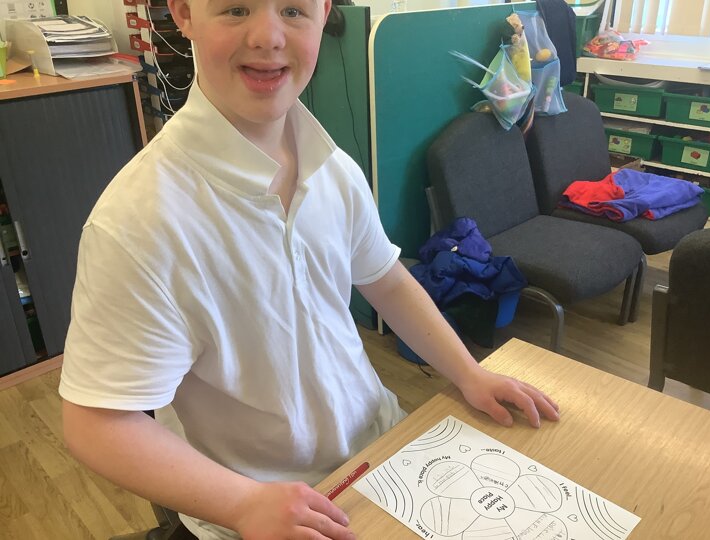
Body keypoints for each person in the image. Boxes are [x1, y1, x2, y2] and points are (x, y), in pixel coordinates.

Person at [59, 1, 560, 539]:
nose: (268, 37)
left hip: (380, 456)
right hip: (260, 510)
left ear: (324, 13)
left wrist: (469, 374)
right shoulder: (138, 222)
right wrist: (242, 505)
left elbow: (387, 280)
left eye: (294, 10)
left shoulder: (333, 169)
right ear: (183, 12)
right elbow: (98, 422)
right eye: (235, 8)